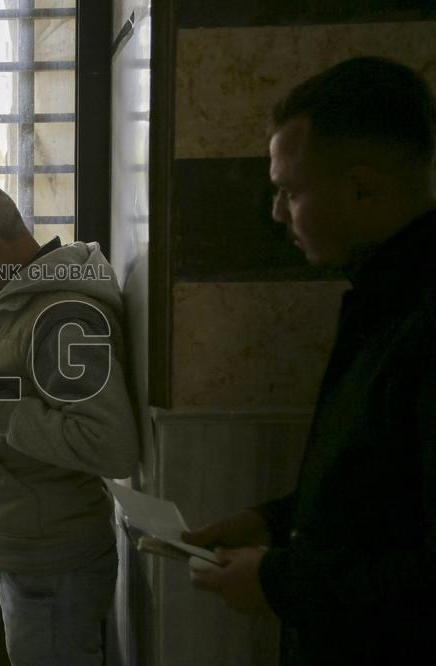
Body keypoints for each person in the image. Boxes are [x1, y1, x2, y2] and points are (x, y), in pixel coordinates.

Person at [183, 57, 436, 664]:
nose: (278, 213)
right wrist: (272, 522)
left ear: (362, 189)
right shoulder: (381, 300)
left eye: (290, 191)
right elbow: (380, 494)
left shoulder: (421, 322)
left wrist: (278, 580)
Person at [0, 176, 138, 665]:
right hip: (42, 557)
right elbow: (46, 396)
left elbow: (108, 444)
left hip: (53, 565)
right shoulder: (31, 301)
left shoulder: (63, 317)